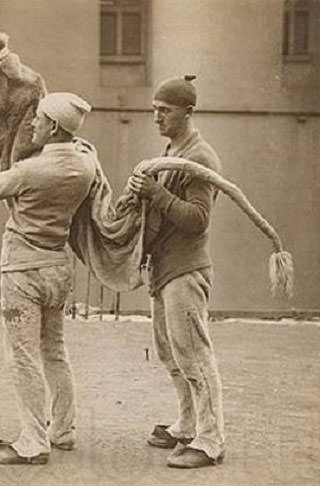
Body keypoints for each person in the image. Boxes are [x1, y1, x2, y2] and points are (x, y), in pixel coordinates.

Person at [0, 92, 96, 465]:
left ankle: (32, 441)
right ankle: (62, 429)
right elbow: (84, 150)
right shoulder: (85, 164)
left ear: (54, 127)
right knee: (54, 350)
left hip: (22, 270)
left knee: (22, 355)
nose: (32, 124)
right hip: (58, 267)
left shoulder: (32, 170)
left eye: (39, 120)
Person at [127, 75, 225, 468]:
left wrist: (156, 193)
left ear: (188, 111)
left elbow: (198, 219)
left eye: (164, 110)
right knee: (171, 354)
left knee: (195, 356)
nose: (156, 117)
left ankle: (211, 440)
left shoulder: (199, 157)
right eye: (154, 109)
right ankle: (187, 424)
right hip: (164, 271)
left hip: (186, 271)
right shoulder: (173, 149)